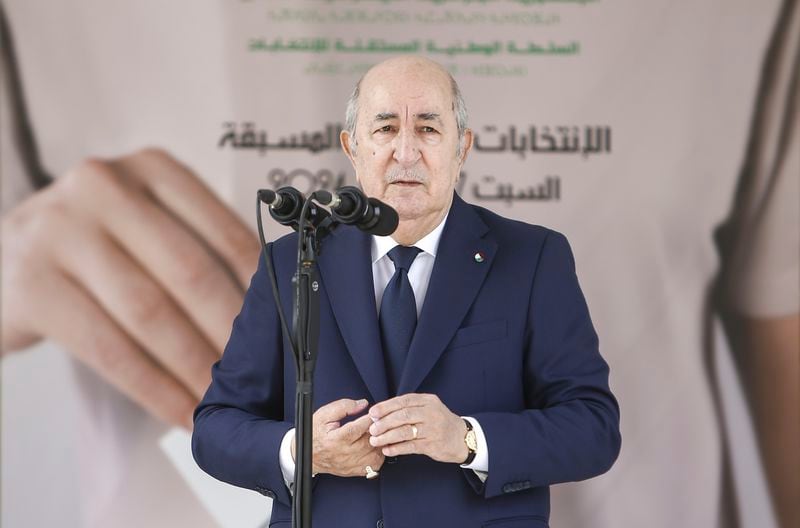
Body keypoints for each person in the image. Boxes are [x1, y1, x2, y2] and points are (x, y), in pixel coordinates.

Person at [191, 56, 621, 527]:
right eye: (386, 129)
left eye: (429, 130)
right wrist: (304, 450)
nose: (407, 152)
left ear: (463, 148)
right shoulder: (292, 259)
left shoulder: (533, 257)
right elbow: (215, 429)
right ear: (352, 148)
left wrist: (467, 439)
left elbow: (593, 428)